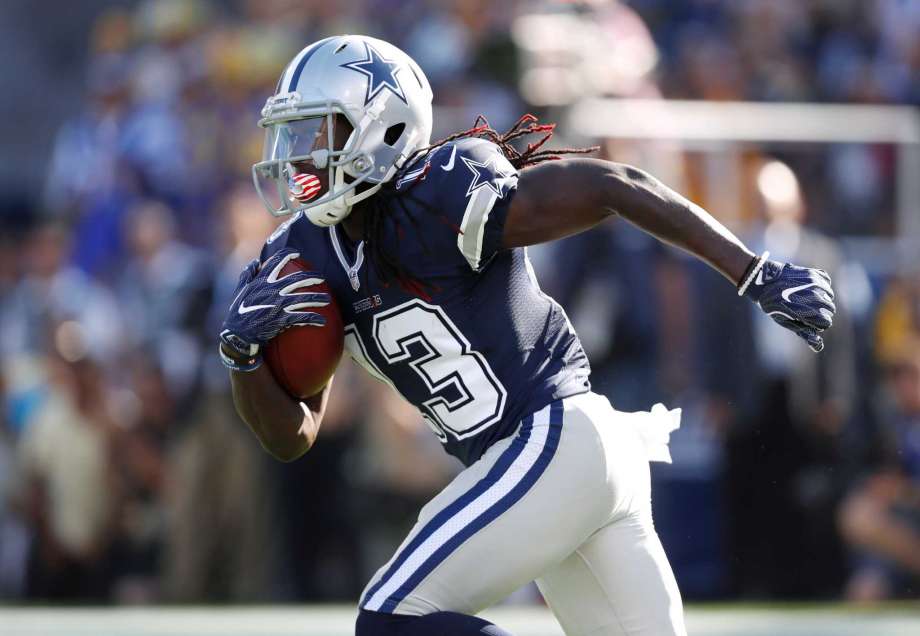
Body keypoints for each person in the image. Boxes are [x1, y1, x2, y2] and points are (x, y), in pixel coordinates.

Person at [218, 35, 836, 636]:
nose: (297, 157)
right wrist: (245, 359)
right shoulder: (303, 255)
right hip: (558, 468)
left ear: (383, 127)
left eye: (317, 132)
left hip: (552, 442)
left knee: (389, 617)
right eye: (291, 134)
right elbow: (292, 438)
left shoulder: (438, 192)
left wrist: (753, 271)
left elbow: (610, 185)